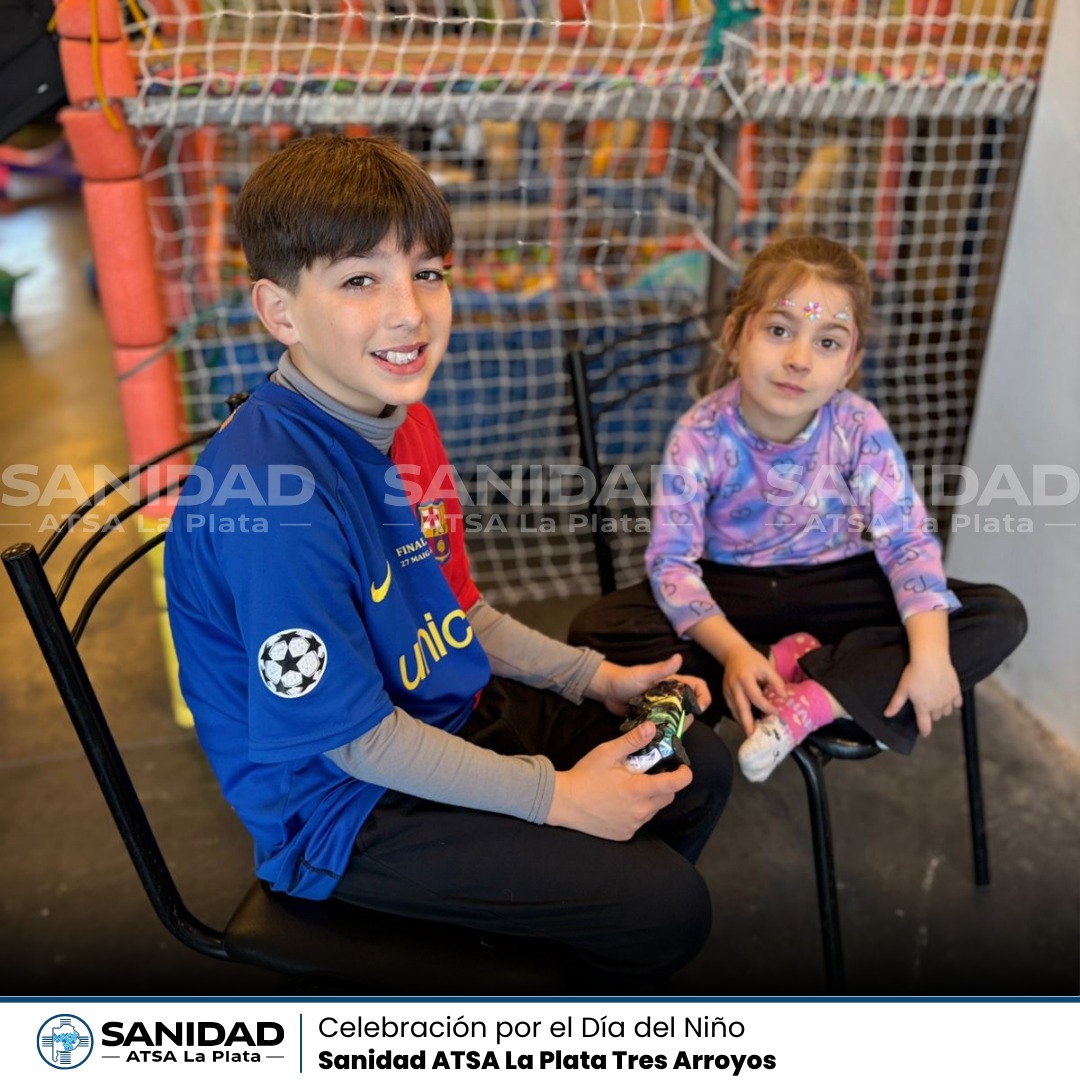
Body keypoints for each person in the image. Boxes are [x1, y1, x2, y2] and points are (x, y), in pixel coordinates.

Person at [162, 133, 733, 987]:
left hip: (442, 712)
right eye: (360, 280)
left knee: (695, 766)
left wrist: (598, 678)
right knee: (665, 907)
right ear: (280, 312)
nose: (410, 312)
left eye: (427, 273)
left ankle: (563, 926)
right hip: (346, 807)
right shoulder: (269, 500)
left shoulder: (402, 417)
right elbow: (356, 743)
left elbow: (456, 611)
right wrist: (560, 798)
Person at [568, 235, 1027, 783]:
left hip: (837, 584)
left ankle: (818, 697)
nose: (798, 360)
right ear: (735, 337)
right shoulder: (700, 433)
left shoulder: (858, 426)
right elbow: (671, 563)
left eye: (828, 342)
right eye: (780, 330)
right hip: (734, 591)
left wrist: (930, 654)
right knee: (597, 630)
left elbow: (905, 540)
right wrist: (734, 652)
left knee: (997, 615)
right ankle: (782, 664)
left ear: (851, 363)